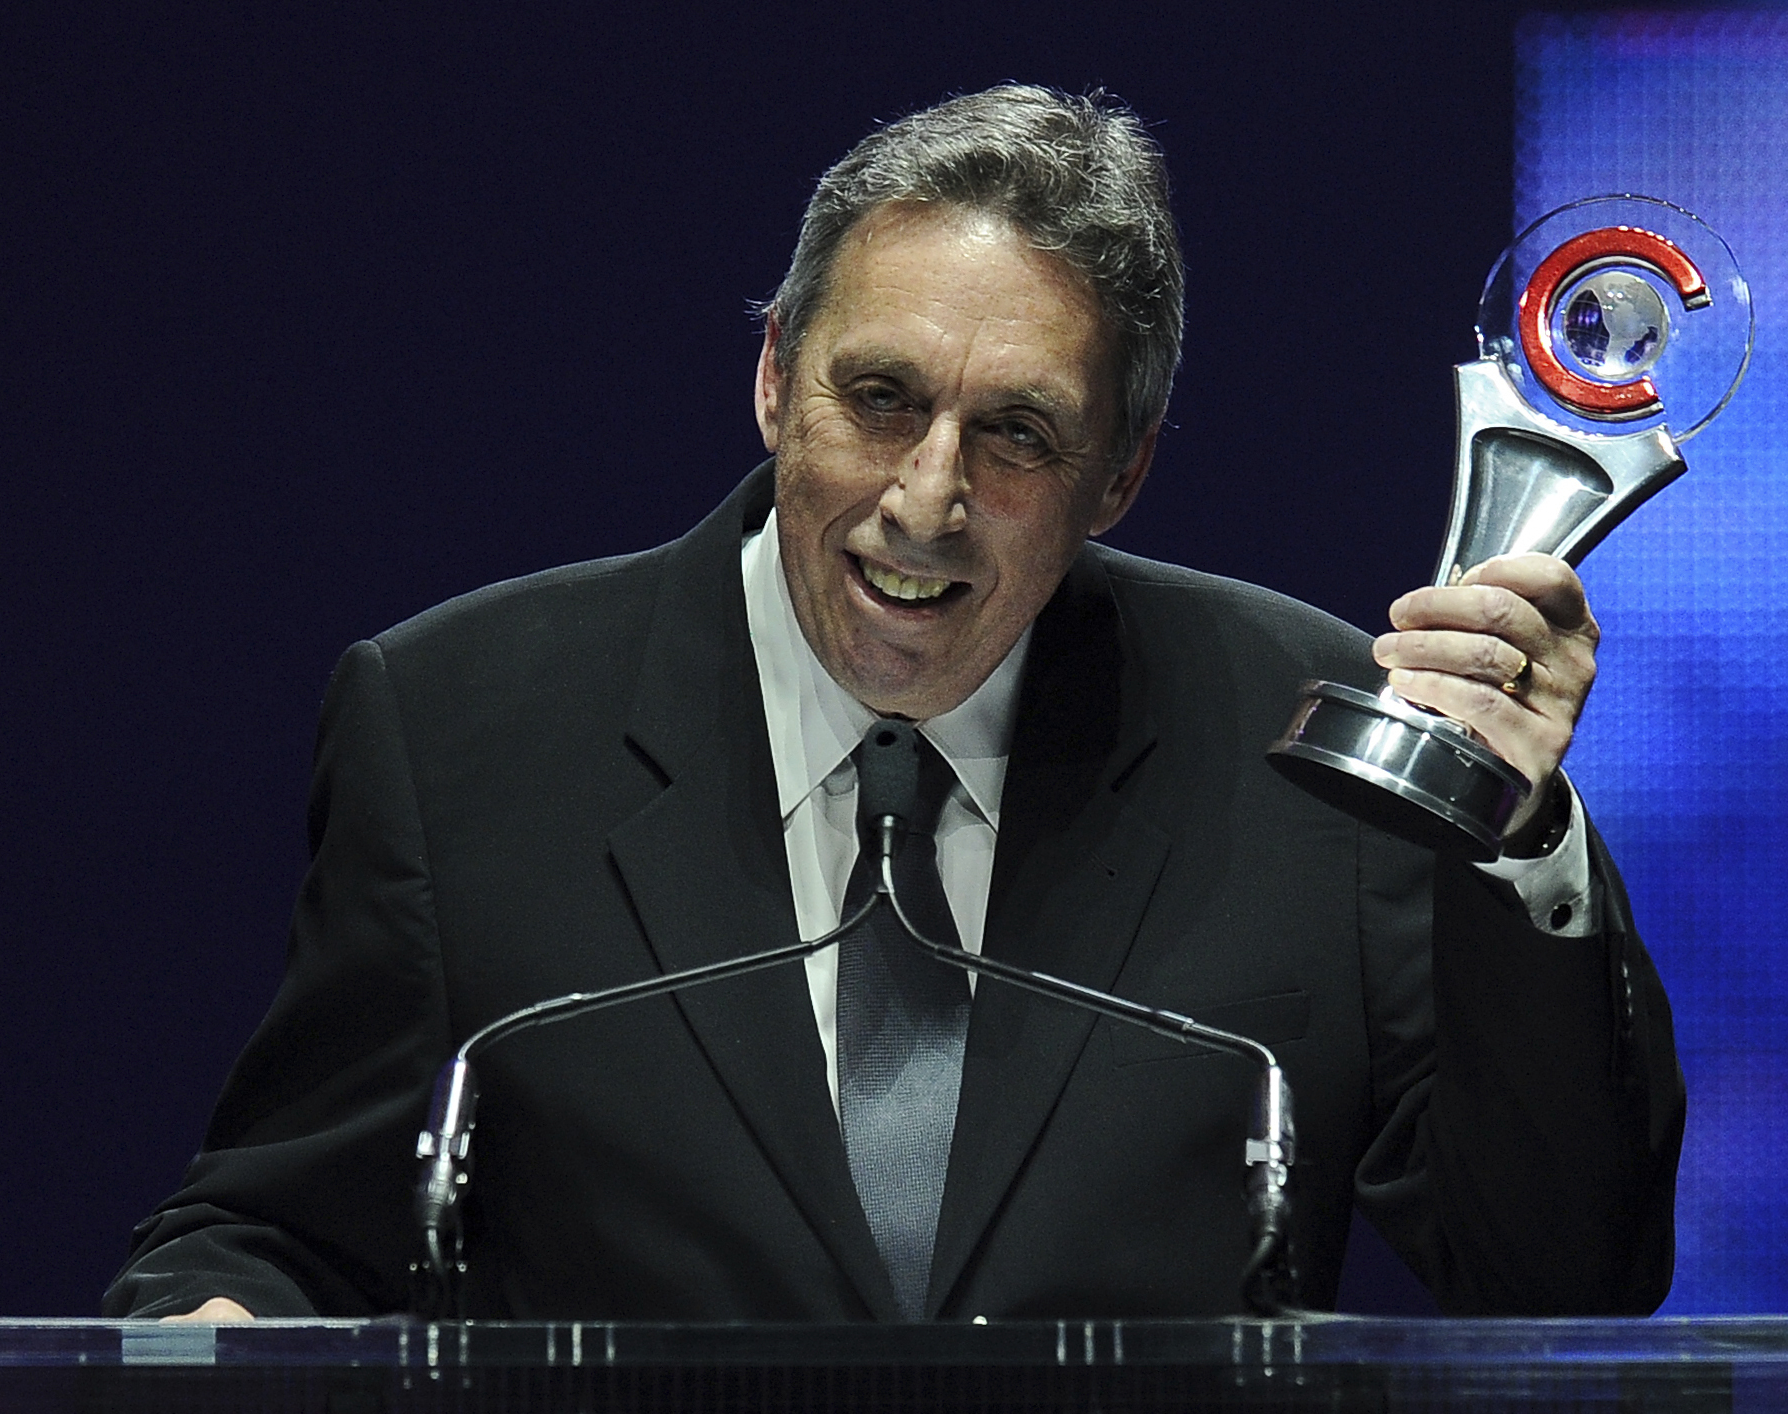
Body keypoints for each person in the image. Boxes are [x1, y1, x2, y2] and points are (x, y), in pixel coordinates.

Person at [105, 85, 1683, 1323]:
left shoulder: (1299, 754)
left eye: (1017, 434)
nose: (927, 497)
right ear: (773, 379)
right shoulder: (457, 727)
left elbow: (1558, 1277)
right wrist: (210, 1333)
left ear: (1119, 475)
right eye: (879, 399)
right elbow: (277, 1227)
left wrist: (1519, 838)